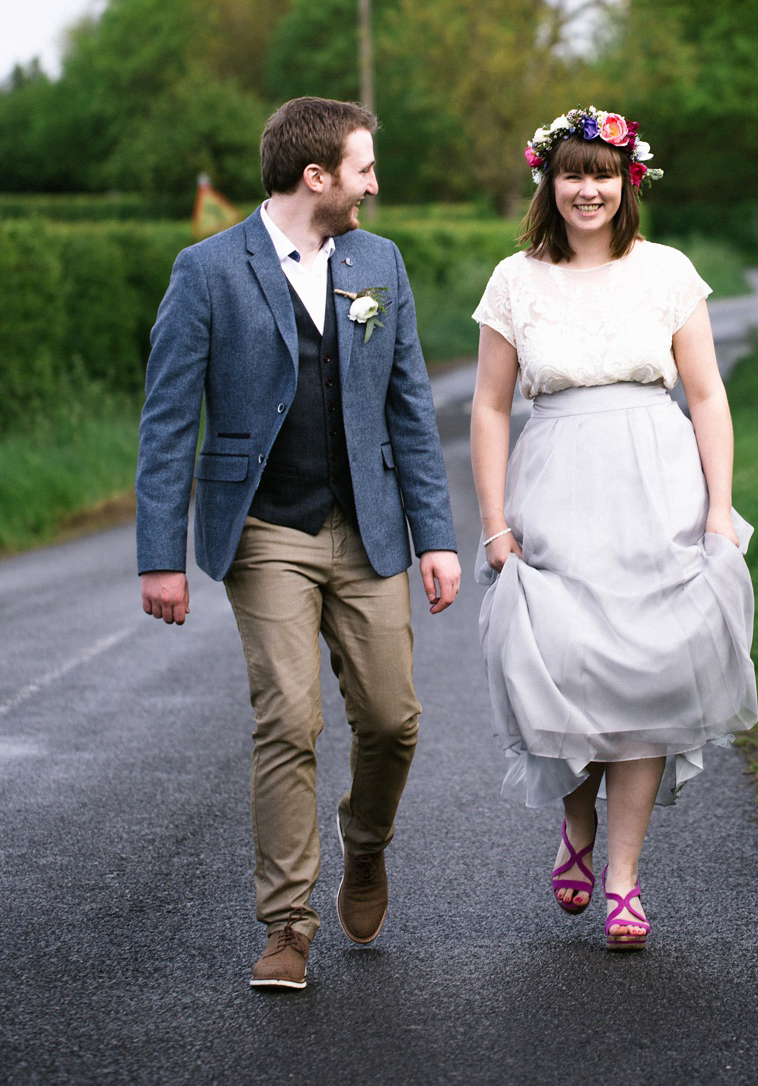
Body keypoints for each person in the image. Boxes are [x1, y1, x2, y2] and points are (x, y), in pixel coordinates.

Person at [137, 97, 461, 989]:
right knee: (288, 716)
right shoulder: (205, 271)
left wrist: (436, 535)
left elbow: (410, 409)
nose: (374, 184)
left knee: (392, 721)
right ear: (316, 177)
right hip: (266, 530)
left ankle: (366, 845)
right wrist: (159, 554)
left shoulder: (377, 262)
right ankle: (288, 924)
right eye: (363, 168)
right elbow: (168, 423)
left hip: (367, 529)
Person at [470, 106, 757, 949]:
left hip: (655, 485)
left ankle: (624, 881)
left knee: (648, 674)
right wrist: (494, 526)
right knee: (565, 664)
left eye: (600, 174)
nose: (585, 189)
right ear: (548, 183)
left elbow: (706, 395)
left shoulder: (667, 271)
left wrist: (715, 507)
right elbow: (488, 407)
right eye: (570, 173)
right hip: (555, 487)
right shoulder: (515, 280)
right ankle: (576, 826)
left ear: (626, 181)